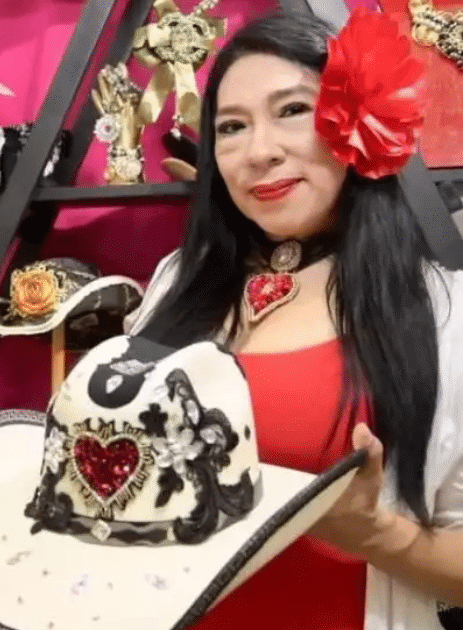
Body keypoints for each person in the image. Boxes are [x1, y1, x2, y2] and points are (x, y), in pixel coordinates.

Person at [123, 8, 463, 630]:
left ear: (360, 121)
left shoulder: (444, 313)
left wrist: (378, 534)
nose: (259, 152)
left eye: (292, 110)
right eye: (231, 126)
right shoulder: (177, 282)